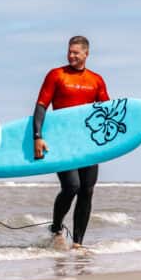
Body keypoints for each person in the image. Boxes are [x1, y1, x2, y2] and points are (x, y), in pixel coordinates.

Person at [33, 36, 109, 250]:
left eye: (76, 52)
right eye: (70, 52)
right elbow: (41, 107)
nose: (71, 56)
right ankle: (56, 227)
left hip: (88, 144)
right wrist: (37, 136)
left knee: (87, 190)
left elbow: (106, 113)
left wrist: (109, 144)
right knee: (72, 186)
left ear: (86, 54)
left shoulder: (96, 80)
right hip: (62, 141)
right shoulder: (56, 75)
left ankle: (77, 243)